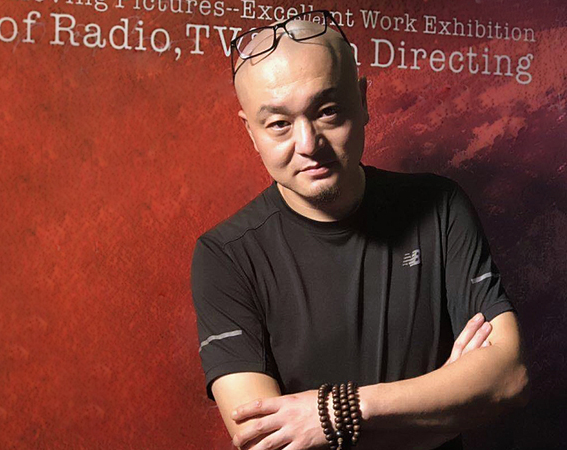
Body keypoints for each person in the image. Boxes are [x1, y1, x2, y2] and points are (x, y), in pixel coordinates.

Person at [190, 11, 529, 450]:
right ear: (251, 132)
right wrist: (441, 412)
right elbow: (264, 441)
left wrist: (335, 412)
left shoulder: (440, 205)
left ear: (363, 100)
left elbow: (508, 377)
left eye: (327, 111)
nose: (308, 144)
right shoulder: (225, 256)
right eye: (279, 124)